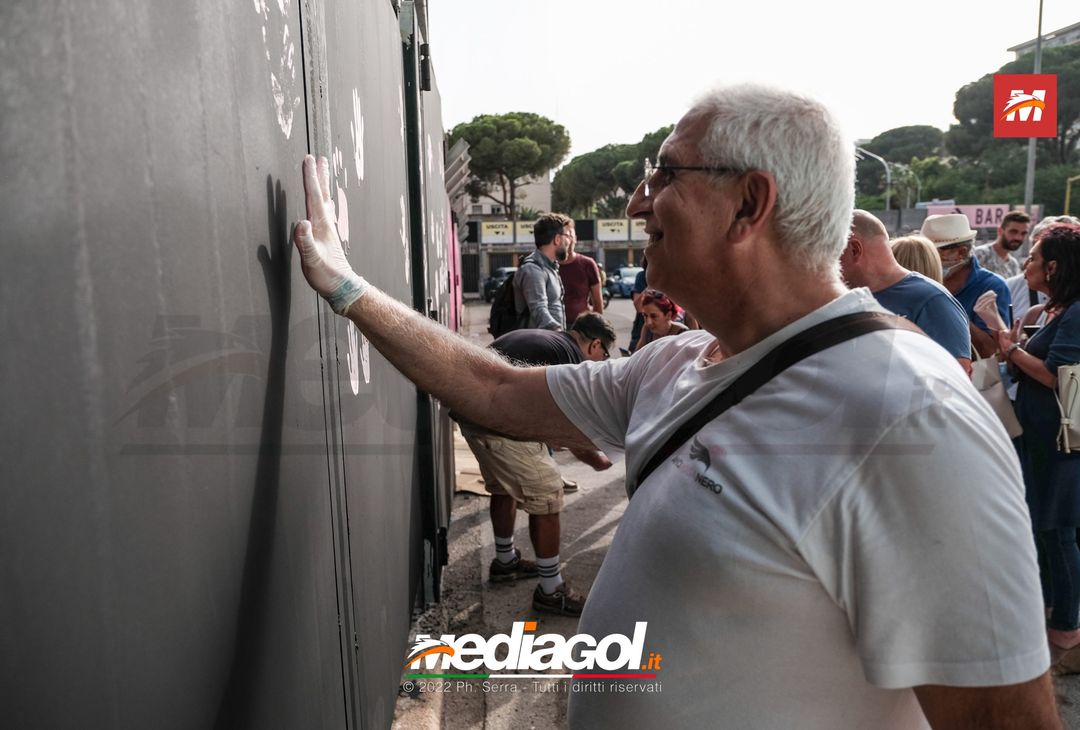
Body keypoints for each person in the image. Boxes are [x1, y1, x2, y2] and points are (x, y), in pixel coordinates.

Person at [291, 82, 1055, 728]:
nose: (637, 198)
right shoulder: (677, 360)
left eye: (664, 173)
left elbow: (1003, 716)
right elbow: (497, 390)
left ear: (750, 203)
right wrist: (347, 288)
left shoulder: (908, 415)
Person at [457, 313, 616, 616]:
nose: (600, 362)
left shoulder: (550, 340)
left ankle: (506, 562)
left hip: (473, 412)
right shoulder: (570, 360)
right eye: (604, 355)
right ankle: (551, 590)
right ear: (595, 345)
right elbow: (569, 427)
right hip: (497, 422)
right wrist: (599, 460)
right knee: (548, 494)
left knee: (503, 487)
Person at [990, 223, 1080, 674]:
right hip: (1044, 439)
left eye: (1034, 256)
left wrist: (1011, 350)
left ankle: (1067, 632)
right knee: (1046, 527)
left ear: (1054, 267)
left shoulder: (1075, 312)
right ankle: (1051, 618)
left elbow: (1056, 375)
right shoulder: (1057, 309)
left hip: (1064, 444)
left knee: (1059, 531)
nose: (1026, 264)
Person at [841, 211, 971, 372]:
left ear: (855, 249)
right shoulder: (845, 298)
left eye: (831, 251)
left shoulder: (932, 300)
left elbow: (956, 379)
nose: (822, 261)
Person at [921, 213, 1012, 358]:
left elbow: (990, 351)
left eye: (932, 252)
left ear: (961, 252)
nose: (926, 259)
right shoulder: (920, 280)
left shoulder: (992, 286)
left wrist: (950, 311)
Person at [513, 213, 570, 330]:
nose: (569, 242)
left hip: (550, 342)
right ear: (557, 239)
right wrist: (561, 336)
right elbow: (539, 311)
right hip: (537, 345)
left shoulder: (550, 267)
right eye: (567, 236)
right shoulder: (533, 270)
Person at [557, 228, 604, 325]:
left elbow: (597, 301)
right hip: (554, 326)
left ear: (575, 239)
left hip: (581, 327)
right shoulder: (550, 265)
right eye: (565, 236)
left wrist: (597, 328)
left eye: (570, 236)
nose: (568, 241)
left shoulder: (587, 264)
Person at [974, 211, 1030, 278]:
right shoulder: (981, 254)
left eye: (1023, 233)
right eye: (1013, 232)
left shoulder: (1014, 264)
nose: (1018, 237)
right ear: (1000, 230)